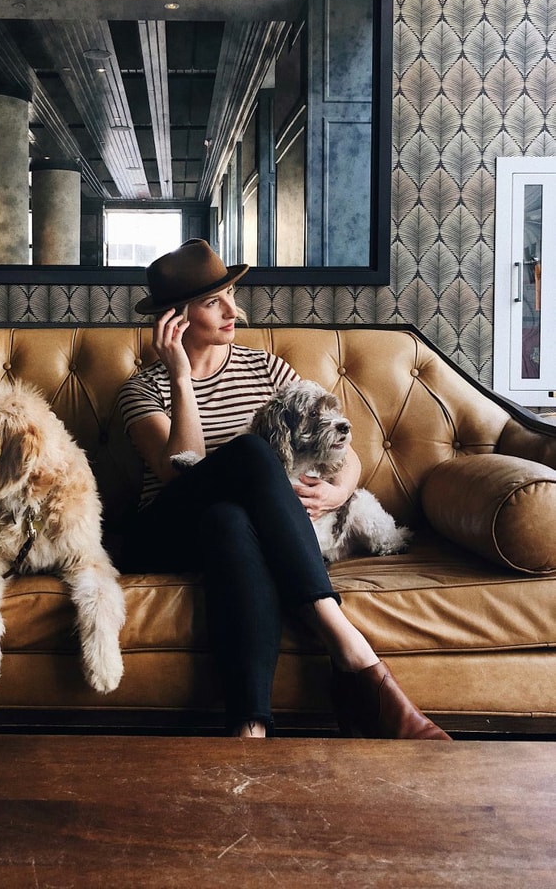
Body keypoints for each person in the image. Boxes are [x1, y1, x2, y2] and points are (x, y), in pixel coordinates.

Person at [118, 239, 451, 740]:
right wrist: (181, 379)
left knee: (228, 519)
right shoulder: (143, 389)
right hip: (163, 534)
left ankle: (249, 730)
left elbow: (342, 444)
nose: (235, 310)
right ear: (176, 319)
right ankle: (351, 650)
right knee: (253, 453)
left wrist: (340, 492)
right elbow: (178, 473)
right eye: (214, 302)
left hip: (227, 534)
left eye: (231, 294)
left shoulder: (268, 369)